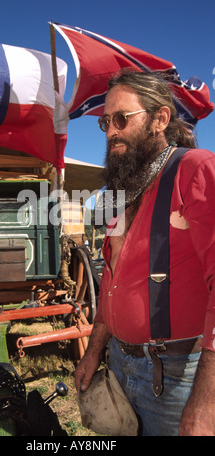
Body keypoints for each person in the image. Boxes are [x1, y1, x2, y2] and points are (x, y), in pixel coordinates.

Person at [74, 69, 215, 436]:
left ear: (159, 119)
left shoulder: (196, 170)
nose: (110, 131)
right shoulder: (119, 196)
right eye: (106, 121)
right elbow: (111, 283)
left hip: (179, 378)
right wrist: (93, 353)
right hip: (120, 366)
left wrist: (206, 405)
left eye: (122, 118)